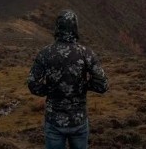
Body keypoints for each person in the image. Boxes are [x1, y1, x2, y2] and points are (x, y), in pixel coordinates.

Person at [27, 9, 109, 149]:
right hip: (79, 120)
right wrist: (83, 85)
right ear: (75, 28)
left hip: (54, 121)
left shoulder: (45, 53)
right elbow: (102, 85)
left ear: (57, 27)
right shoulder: (86, 53)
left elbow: (33, 84)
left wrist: (51, 89)